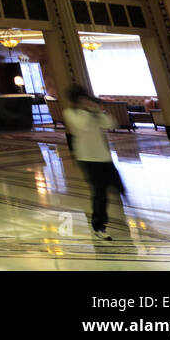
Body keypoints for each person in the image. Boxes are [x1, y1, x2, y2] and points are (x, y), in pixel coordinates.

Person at [63, 84, 126, 240]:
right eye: (82, 99)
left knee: (119, 187)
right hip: (87, 159)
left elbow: (111, 124)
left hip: (104, 157)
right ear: (77, 100)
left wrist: (98, 111)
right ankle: (99, 226)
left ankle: (125, 219)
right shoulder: (70, 113)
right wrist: (90, 112)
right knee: (100, 193)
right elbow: (82, 126)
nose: (85, 101)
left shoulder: (94, 113)